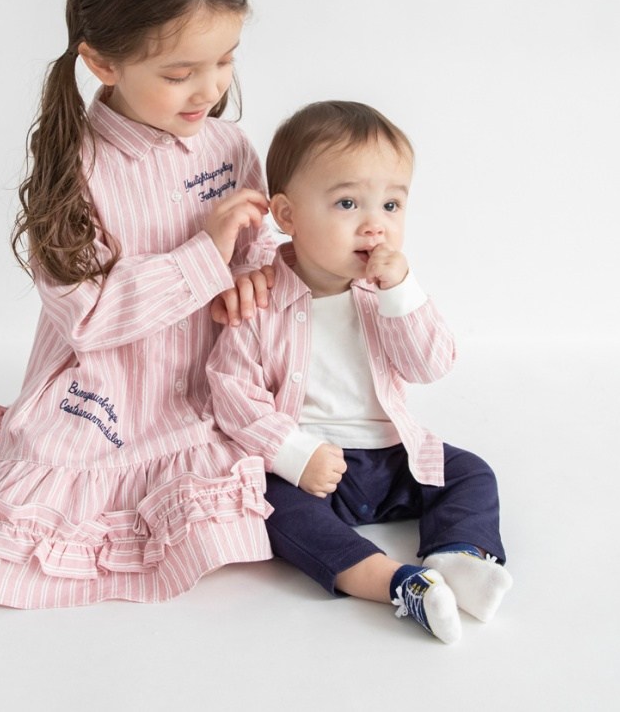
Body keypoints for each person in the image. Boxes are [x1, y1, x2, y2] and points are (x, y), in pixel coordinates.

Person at [0, 0, 279, 608]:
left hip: (215, 384)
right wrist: (205, 255)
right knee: (29, 530)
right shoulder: (75, 173)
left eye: (225, 59)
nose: (209, 90)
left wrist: (250, 275)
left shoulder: (230, 147)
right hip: (106, 398)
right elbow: (87, 317)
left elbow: (258, 245)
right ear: (103, 63)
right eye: (179, 73)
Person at [207, 100, 512, 643]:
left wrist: (402, 294)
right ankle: (394, 582)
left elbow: (430, 364)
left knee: (470, 472)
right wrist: (294, 453)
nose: (375, 225)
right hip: (311, 469)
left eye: (391, 205)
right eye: (347, 203)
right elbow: (232, 393)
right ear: (288, 216)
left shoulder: (386, 296)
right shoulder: (261, 298)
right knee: (265, 504)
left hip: (393, 456)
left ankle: (459, 555)